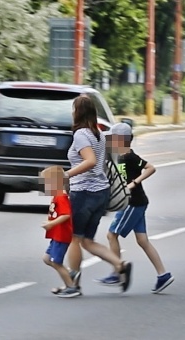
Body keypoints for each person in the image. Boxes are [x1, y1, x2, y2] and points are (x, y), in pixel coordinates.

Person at [63, 95, 133, 294]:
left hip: (84, 192)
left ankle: (73, 284)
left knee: (74, 238)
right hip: (100, 192)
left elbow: (91, 161)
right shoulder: (99, 134)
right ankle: (120, 265)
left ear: (77, 112)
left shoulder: (81, 135)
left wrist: (66, 175)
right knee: (87, 241)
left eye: (73, 109)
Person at [97, 122, 175, 293]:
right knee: (142, 241)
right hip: (136, 202)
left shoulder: (130, 157)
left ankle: (117, 272)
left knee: (112, 235)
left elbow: (150, 168)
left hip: (132, 203)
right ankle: (163, 275)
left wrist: (133, 183)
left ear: (121, 140)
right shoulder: (117, 156)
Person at [40, 166, 79, 298]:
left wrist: (51, 224)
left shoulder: (61, 197)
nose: (45, 186)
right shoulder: (57, 196)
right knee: (47, 259)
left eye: (46, 183)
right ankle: (69, 274)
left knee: (56, 262)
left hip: (61, 235)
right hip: (56, 235)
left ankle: (71, 287)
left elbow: (66, 215)